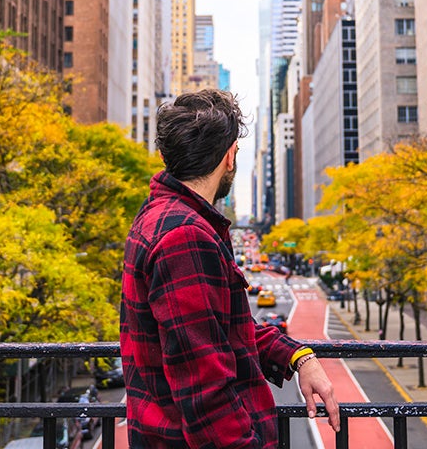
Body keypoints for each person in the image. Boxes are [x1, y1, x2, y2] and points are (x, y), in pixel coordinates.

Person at [121, 90, 340, 448]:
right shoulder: (185, 235)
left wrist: (297, 356)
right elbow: (204, 388)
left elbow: (220, 329)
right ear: (229, 157)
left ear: (165, 156)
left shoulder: (160, 218)